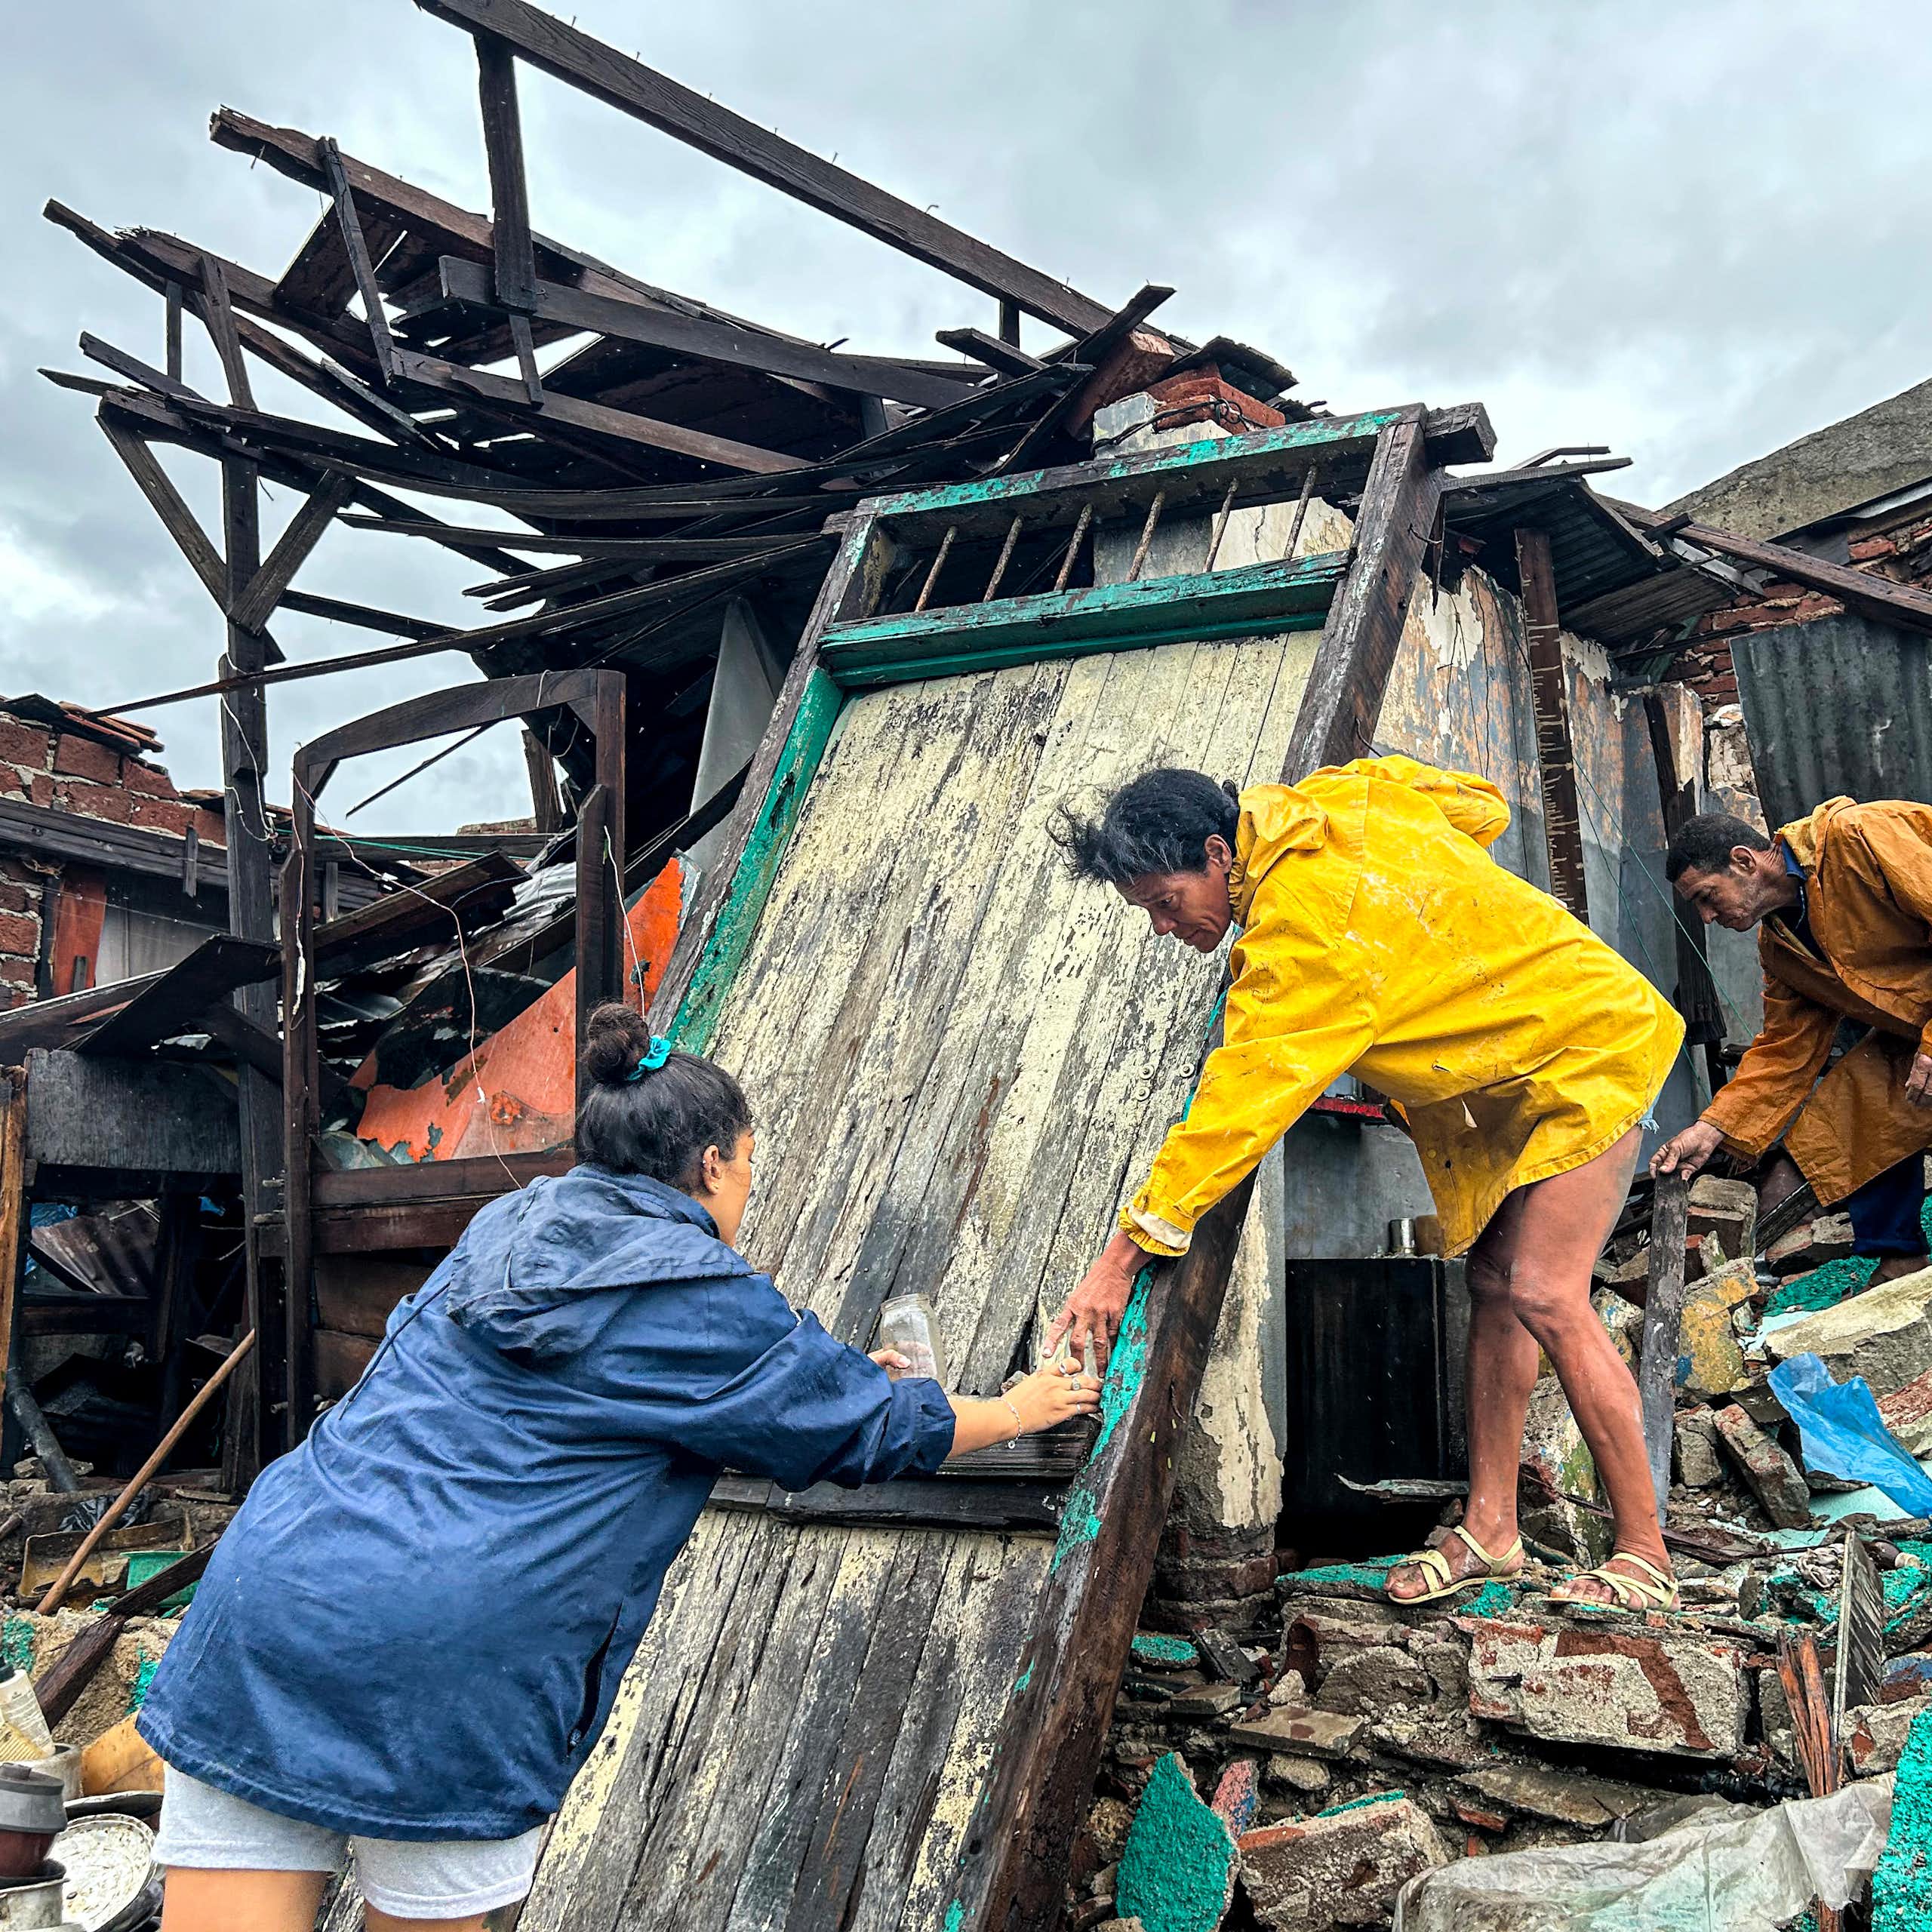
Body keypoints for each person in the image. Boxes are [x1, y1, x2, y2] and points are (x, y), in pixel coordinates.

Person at [137, 1004, 1099, 1932]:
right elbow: (861, 1428)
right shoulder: (700, 1290)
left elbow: (650, 1381)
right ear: (712, 1163)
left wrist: (819, 1378)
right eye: (750, 1166)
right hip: (446, 1667)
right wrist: (1019, 1409)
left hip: (271, 1598)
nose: (748, 1189)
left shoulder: (505, 1226)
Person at [1044, 756, 1685, 1613]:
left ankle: (1646, 1553)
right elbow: (1480, 807)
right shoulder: (1342, 798)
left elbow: (1231, 1116)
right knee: (1492, 1283)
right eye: (1149, 912)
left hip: (1591, 1050)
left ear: (1215, 854)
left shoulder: (1301, 941)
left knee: (1543, 1289)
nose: (1164, 927)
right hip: (1531, 1059)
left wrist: (1118, 1260)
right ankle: (1493, 1530)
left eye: (1167, 902)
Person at [1652, 800, 1932, 1279]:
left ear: (1743, 861)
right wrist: (1711, 1129)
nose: (1705, 917)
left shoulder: (1858, 838)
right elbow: (1785, 1050)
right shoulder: (1780, 948)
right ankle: (1901, 1262)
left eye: (1706, 895)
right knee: (1854, 1113)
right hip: (1914, 1035)